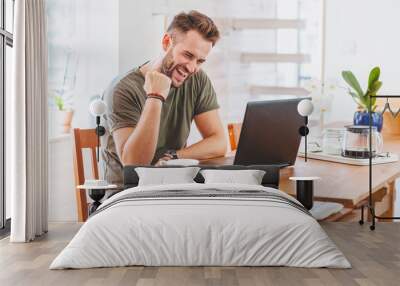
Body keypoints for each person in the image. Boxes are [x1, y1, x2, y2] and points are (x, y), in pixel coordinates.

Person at [102, 10, 227, 186]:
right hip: (128, 194)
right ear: (167, 42)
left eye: (200, 61)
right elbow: (134, 166)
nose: (192, 68)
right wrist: (155, 95)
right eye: (188, 55)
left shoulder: (197, 80)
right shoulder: (123, 89)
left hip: (172, 187)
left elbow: (219, 142)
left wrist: (173, 158)